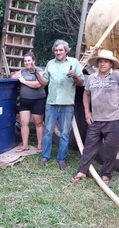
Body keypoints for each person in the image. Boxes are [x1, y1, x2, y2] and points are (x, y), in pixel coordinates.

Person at [71, 49, 119, 184]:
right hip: (95, 119)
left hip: (113, 120)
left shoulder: (117, 76)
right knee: (89, 147)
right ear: (98, 64)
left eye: (106, 62)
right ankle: (82, 171)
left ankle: (106, 174)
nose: (103, 64)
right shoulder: (92, 78)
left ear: (111, 64)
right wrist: (87, 112)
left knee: (110, 149)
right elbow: (86, 95)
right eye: (101, 62)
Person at [34, 40, 84, 170]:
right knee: (48, 131)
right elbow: (44, 83)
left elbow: (81, 83)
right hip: (51, 103)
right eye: (56, 50)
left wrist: (74, 76)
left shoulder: (74, 63)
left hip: (67, 104)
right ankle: (45, 156)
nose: (58, 52)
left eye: (60, 50)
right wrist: (35, 73)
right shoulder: (50, 63)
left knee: (65, 133)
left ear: (66, 51)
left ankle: (61, 159)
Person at [11, 52, 46, 154]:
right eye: (25, 61)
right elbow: (12, 78)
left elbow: (38, 84)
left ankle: (40, 145)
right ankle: (25, 145)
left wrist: (23, 81)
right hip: (24, 101)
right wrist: (15, 75)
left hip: (38, 101)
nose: (27, 63)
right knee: (23, 123)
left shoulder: (40, 71)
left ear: (34, 61)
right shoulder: (22, 71)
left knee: (38, 123)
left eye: (29, 60)